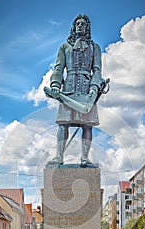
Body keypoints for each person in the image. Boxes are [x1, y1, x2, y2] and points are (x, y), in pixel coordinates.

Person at [45, 14, 107, 167]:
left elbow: (97, 70)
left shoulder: (95, 47)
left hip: (86, 91)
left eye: (83, 24)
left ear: (87, 28)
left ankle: (84, 158)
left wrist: (94, 88)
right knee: (63, 124)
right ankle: (59, 156)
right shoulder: (64, 46)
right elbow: (59, 67)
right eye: (77, 24)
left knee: (87, 126)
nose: (80, 26)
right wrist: (55, 84)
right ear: (74, 27)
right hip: (68, 90)